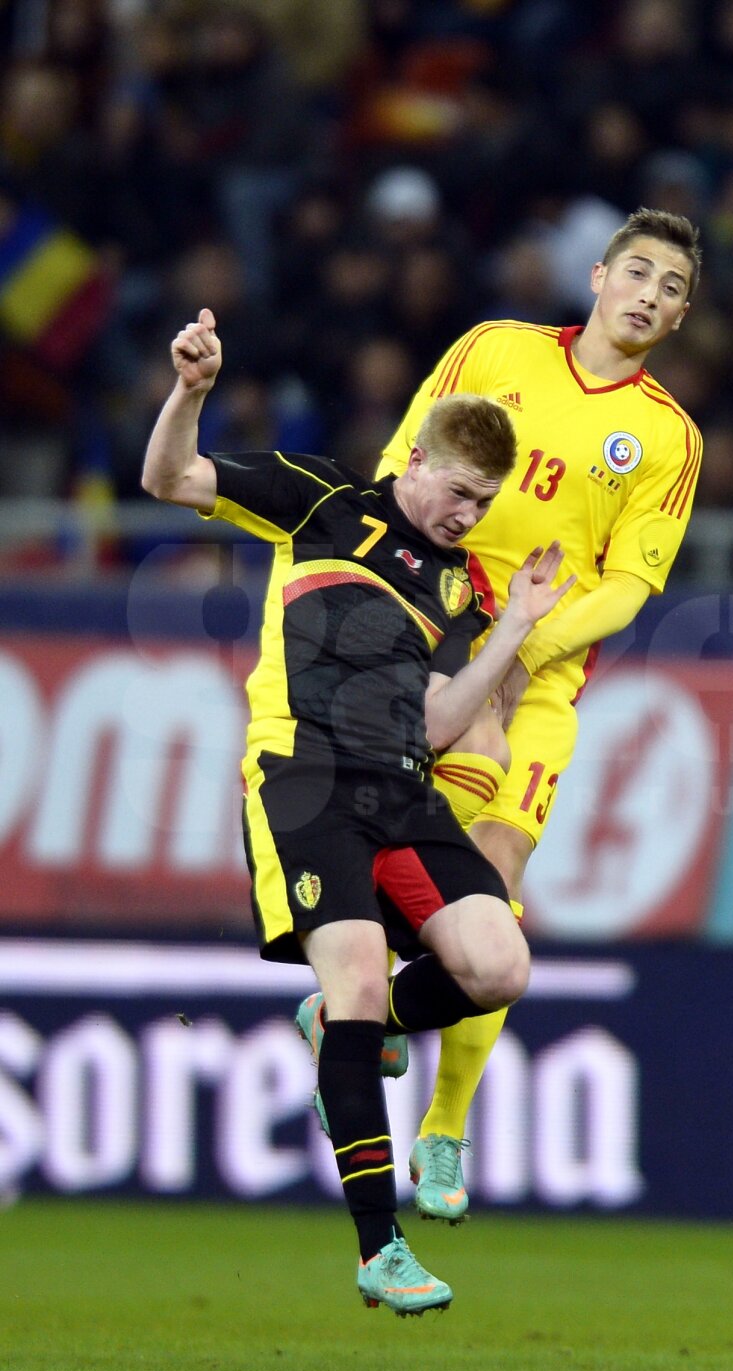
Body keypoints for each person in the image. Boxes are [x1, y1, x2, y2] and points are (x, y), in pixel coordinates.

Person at [142, 308, 573, 1316]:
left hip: (404, 783)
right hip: (304, 775)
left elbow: (449, 719)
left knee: (498, 964)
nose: (470, 514)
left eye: (485, 501)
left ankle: (338, 1021)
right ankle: (381, 1247)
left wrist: (514, 626)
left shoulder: (464, 588)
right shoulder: (323, 499)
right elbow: (171, 479)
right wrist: (191, 394)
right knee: (359, 982)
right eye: (460, 492)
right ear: (416, 461)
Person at [298, 207, 704, 1221]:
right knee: (394, 860)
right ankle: (368, 1008)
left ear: (681, 317)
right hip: (429, 646)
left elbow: (628, 585)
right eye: (638, 273)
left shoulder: (666, 437)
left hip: (544, 680)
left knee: (496, 875)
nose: (650, 295)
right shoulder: (495, 349)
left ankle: (443, 1126)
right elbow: (406, 469)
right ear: (600, 277)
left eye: (672, 289)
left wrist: (530, 645)